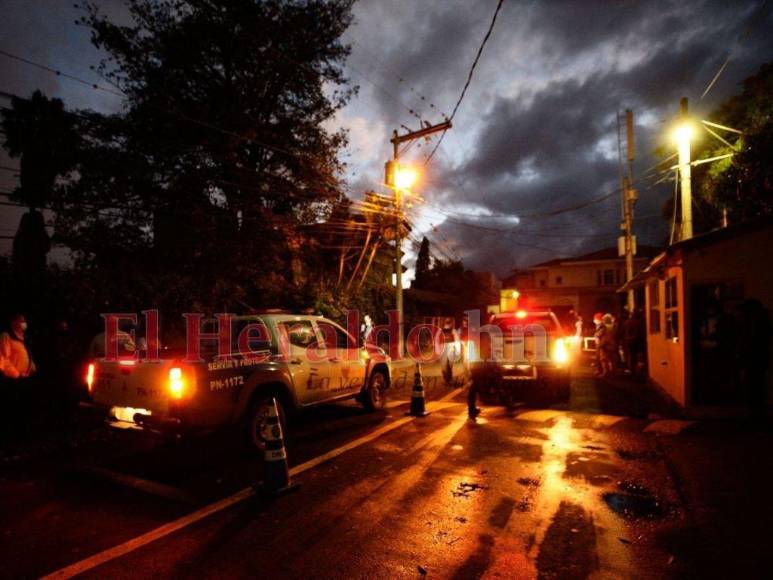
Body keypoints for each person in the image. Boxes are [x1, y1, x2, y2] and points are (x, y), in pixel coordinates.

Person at [0, 313, 36, 378]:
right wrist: (15, 374)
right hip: (12, 378)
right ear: (13, 323)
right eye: (21, 321)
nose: (24, 324)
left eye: (24, 321)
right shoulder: (7, 336)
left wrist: (32, 366)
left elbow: (26, 354)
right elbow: (3, 359)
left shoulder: (24, 338)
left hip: (25, 376)